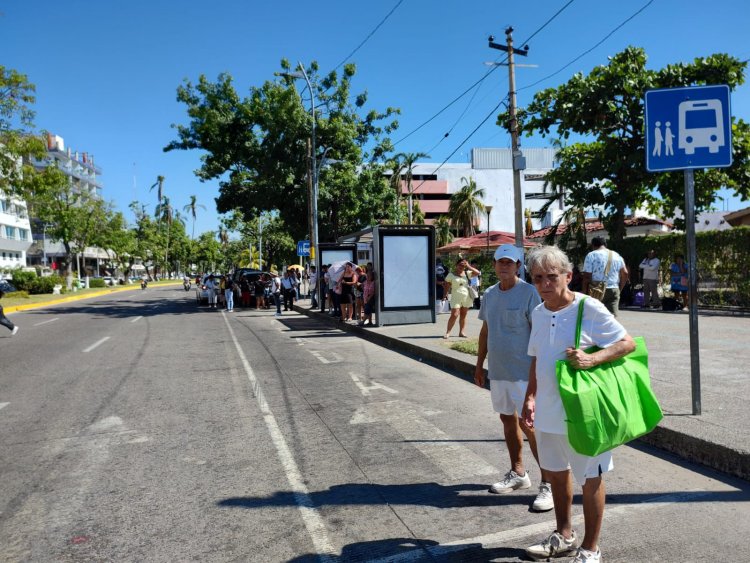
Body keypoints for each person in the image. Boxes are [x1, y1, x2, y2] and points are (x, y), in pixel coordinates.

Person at [522, 245, 636, 563]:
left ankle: (591, 548)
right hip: (547, 410)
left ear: (568, 276)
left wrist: (592, 358)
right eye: (538, 277)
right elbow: (536, 359)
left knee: (590, 478)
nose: (545, 283)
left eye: (552, 276)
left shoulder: (589, 308)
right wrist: (530, 397)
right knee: (557, 475)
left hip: (584, 413)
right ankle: (565, 535)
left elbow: (627, 343)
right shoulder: (538, 311)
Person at [474, 245, 552, 512]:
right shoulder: (489, 294)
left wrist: (538, 375)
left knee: (530, 427)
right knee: (508, 421)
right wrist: (478, 364)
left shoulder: (530, 293)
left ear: (519, 266)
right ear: (494, 265)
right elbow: (486, 330)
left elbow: (540, 334)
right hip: (499, 371)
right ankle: (518, 473)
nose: (504, 266)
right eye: (500, 262)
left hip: (524, 373)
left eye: (510, 262)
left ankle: (549, 483)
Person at [581, 236, 628, 317]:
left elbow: (586, 277)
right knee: (611, 319)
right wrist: (620, 288)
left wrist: (584, 294)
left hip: (596, 290)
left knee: (595, 318)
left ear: (593, 245)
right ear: (605, 244)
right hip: (613, 289)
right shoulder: (616, 255)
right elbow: (625, 273)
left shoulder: (591, 255)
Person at [442, 257, 480, 339]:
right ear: (456, 265)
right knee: (454, 314)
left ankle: (461, 332)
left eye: (463, 265)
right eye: (460, 265)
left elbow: (477, 273)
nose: (461, 267)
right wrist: (444, 296)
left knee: (463, 315)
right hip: (456, 297)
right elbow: (446, 286)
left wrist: (468, 266)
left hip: (466, 297)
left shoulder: (467, 273)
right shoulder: (451, 275)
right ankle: (448, 332)